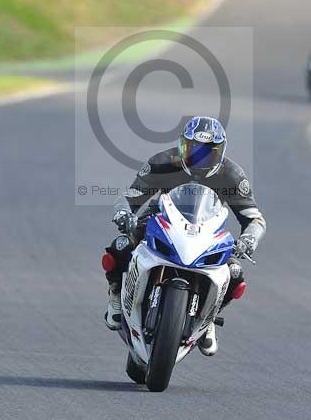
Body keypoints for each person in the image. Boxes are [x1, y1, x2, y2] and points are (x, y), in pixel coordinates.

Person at [102, 116, 267, 356]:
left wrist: (249, 239)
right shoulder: (162, 163)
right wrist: (123, 214)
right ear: (183, 145)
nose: (200, 157)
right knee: (121, 245)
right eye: (194, 149)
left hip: (208, 231)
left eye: (208, 152)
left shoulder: (232, 175)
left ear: (220, 151)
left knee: (234, 273)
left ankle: (210, 316)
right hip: (160, 220)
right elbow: (129, 197)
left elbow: (254, 218)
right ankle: (116, 294)